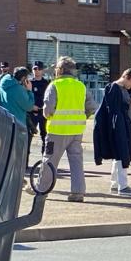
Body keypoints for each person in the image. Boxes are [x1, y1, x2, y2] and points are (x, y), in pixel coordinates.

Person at [43, 56, 89, 202]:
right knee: (76, 162)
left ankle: (42, 189)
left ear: (61, 70)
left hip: (57, 131)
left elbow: (48, 110)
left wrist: (48, 115)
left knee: (49, 160)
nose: (55, 71)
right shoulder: (80, 86)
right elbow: (91, 106)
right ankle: (78, 192)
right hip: (76, 131)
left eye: (56, 68)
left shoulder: (55, 85)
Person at [93, 69, 131, 196]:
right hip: (118, 127)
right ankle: (123, 186)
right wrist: (130, 103)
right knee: (122, 153)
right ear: (125, 77)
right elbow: (115, 108)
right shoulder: (113, 88)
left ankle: (115, 184)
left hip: (124, 126)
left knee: (118, 155)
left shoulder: (124, 89)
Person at [0, 65, 32, 130]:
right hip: (17, 124)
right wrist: (29, 91)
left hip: (3, 121)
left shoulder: (2, 84)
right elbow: (29, 106)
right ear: (23, 78)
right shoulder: (19, 90)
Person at [29, 60, 51, 152]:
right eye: (35, 69)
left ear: (42, 71)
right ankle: (25, 161)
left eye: (39, 69)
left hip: (43, 113)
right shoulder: (29, 82)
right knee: (28, 136)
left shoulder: (47, 83)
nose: (36, 71)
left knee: (45, 136)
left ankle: (44, 161)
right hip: (31, 112)